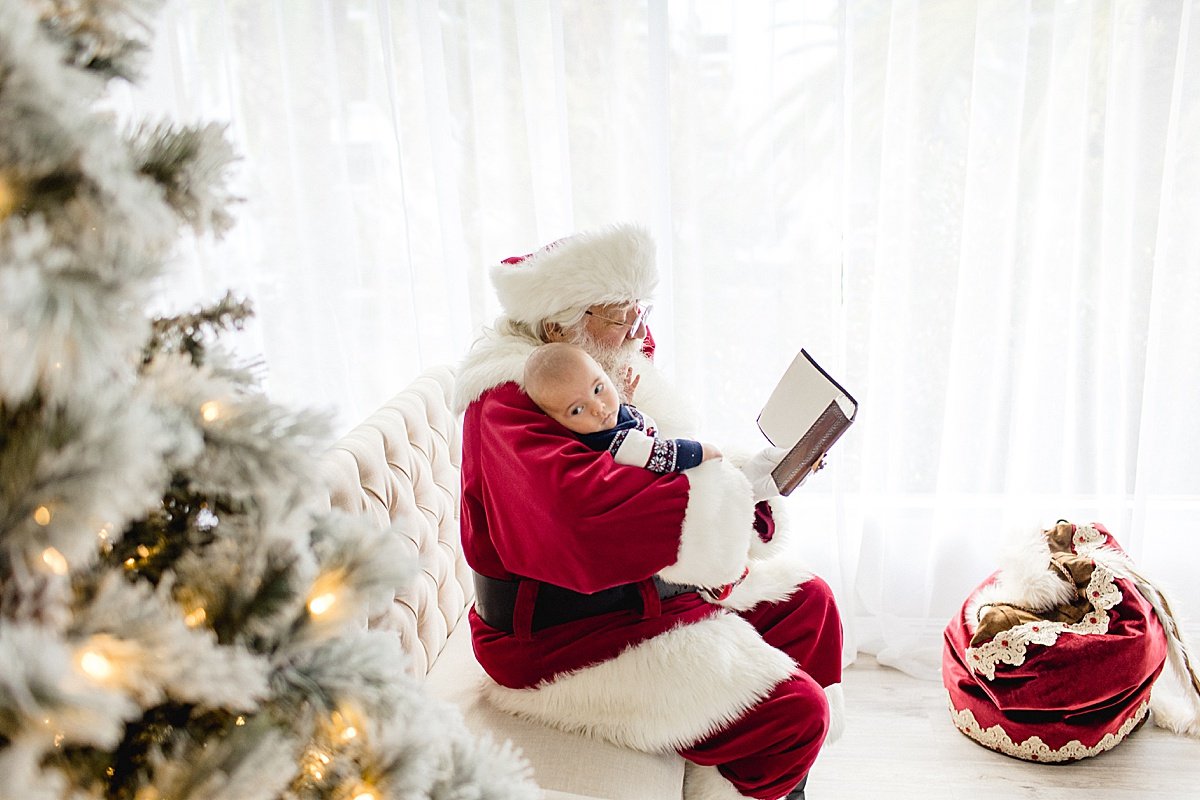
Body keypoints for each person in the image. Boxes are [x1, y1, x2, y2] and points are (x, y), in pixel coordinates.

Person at [455, 222, 844, 800]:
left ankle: (772, 784)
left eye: (641, 309)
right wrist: (728, 500)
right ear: (563, 323)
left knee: (808, 606)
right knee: (795, 713)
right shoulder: (514, 398)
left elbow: (662, 461)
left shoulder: (599, 370)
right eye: (621, 315)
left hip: (640, 591)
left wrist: (761, 478)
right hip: (560, 638)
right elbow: (584, 520)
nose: (639, 328)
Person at [523, 340, 722, 472]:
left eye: (598, 388)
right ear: (556, 422)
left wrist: (625, 402)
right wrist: (701, 451)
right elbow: (661, 454)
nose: (598, 408)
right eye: (577, 410)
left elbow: (628, 424)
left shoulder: (608, 422)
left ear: (603, 372)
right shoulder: (613, 443)